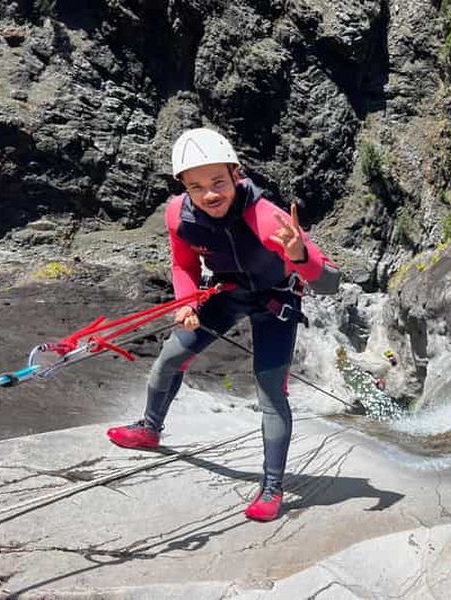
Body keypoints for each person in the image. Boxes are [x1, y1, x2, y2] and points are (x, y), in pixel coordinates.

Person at [106, 128, 341, 522]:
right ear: (183, 187)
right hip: (226, 292)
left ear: (236, 173)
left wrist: (298, 253)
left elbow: (329, 281)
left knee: (270, 392)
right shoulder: (178, 215)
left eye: (218, 181)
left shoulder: (268, 218)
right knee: (170, 357)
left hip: (275, 299)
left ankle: (272, 488)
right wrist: (185, 303)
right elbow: (183, 265)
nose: (210, 194)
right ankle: (150, 429)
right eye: (196, 187)